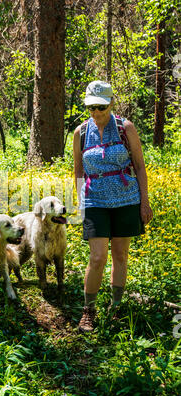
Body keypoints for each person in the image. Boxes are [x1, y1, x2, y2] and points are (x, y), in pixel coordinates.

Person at [73, 80, 153, 333]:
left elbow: (139, 166)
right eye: (91, 108)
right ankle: (89, 311)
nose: (96, 113)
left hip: (126, 200)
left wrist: (144, 203)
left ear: (111, 104)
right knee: (97, 257)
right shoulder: (81, 132)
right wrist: (79, 204)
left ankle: (116, 308)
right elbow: (77, 170)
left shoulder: (125, 128)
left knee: (120, 255)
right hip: (95, 200)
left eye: (101, 107)